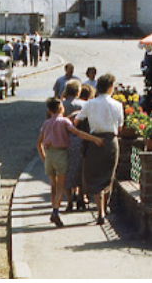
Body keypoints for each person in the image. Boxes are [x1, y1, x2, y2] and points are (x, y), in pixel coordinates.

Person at [39, 97, 103, 227]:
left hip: (49, 154)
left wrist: (44, 157)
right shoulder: (64, 121)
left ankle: (53, 208)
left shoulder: (46, 123)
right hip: (61, 154)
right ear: (61, 108)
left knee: (53, 185)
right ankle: (55, 212)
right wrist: (94, 139)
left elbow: (38, 142)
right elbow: (78, 133)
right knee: (61, 186)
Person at [75, 74, 124, 225]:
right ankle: (104, 207)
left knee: (94, 175)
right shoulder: (117, 105)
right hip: (111, 141)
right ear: (110, 87)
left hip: (95, 141)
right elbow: (120, 127)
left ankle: (100, 210)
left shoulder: (90, 104)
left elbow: (77, 121)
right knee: (108, 174)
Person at [61, 81, 88, 212]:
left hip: (65, 140)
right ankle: (81, 197)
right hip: (81, 139)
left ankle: (70, 199)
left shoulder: (62, 105)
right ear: (78, 91)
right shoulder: (84, 105)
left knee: (67, 169)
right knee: (81, 169)